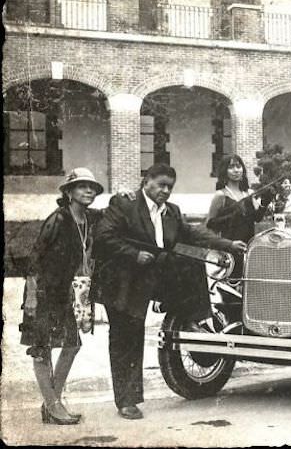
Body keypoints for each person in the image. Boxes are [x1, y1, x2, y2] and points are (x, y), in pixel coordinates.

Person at [92, 163, 247, 420]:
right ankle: (127, 401)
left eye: (170, 187)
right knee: (127, 337)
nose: (165, 191)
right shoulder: (124, 204)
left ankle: (193, 320)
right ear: (147, 182)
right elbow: (104, 238)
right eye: (161, 185)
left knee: (192, 260)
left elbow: (194, 233)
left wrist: (228, 244)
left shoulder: (171, 211)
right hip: (124, 279)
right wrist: (133, 254)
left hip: (154, 272)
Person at [20, 168, 104, 424]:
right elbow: (34, 259)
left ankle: (51, 404)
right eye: (81, 186)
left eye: (92, 187)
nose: (88, 190)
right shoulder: (57, 220)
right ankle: (54, 406)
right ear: (68, 192)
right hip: (44, 292)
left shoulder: (90, 219)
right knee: (42, 349)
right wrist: (32, 297)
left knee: (72, 344)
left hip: (69, 293)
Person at [206, 154, 266, 243]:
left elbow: (257, 218)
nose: (236, 170)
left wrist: (265, 201)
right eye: (231, 167)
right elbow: (210, 225)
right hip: (229, 248)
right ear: (224, 171)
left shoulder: (249, 193)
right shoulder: (221, 195)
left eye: (238, 166)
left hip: (248, 246)